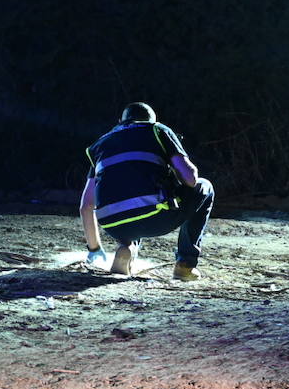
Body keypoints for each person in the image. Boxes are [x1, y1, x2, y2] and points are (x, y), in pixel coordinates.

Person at [79, 102, 215, 280]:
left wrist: (94, 250)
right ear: (152, 120)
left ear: (121, 121)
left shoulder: (100, 145)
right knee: (204, 187)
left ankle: (126, 246)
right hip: (153, 218)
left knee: (130, 196)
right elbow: (190, 179)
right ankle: (185, 265)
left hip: (113, 225)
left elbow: (86, 206)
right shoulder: (157, 130)